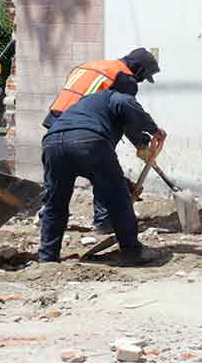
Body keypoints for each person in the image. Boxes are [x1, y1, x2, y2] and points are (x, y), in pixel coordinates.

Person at [38, 88, 166, 266]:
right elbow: (125, 104)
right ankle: (132, 251)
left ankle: (47, 257)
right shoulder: (116, 97)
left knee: (55, 202)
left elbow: (98, 172)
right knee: (117, 198)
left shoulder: (88, 104)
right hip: (87, 140)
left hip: (52, 141)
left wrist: (123, 182)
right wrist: (154, 129)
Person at [41, 48, 161, 235]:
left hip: (56, 124)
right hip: (87, 127)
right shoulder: (124, 78)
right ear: (138, 69)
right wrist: (142, 143)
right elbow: (124, 113)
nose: (140, 81)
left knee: (58, 179)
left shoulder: (91, 65)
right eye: (143, 77)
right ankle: (105, 222)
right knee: (103, 172)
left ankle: (48, 218)